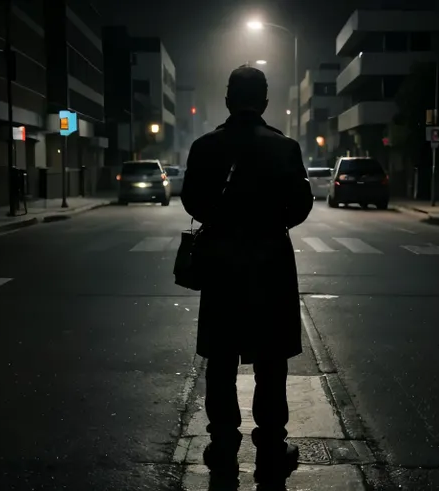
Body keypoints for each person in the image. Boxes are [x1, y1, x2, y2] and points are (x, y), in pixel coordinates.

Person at [180, 65, 313, 486]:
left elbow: (193, 201)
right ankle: (271, 444)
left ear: (227, 100)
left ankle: (223, 444)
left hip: (221, 264)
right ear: (265, 102)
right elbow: (301, 206)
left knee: (220, 360)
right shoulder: (284, 147)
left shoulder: (205, 147)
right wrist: (271, 223)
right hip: (270, 264)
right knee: (270, 362)